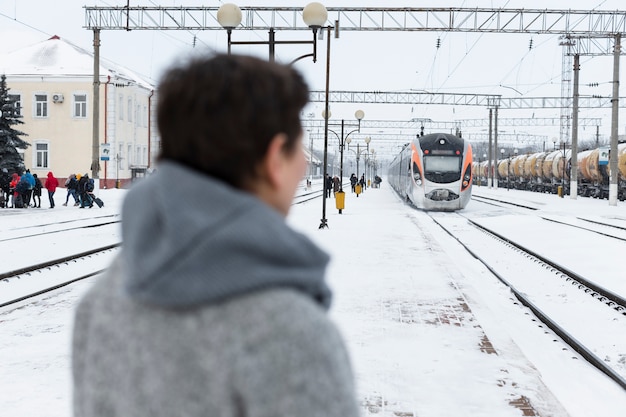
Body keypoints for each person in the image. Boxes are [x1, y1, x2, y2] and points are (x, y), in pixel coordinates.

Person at [72, 53, 359, 417]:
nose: (304, 165)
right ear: (274, 158)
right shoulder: (290, 333)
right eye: (297, 149)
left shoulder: (103, 300)